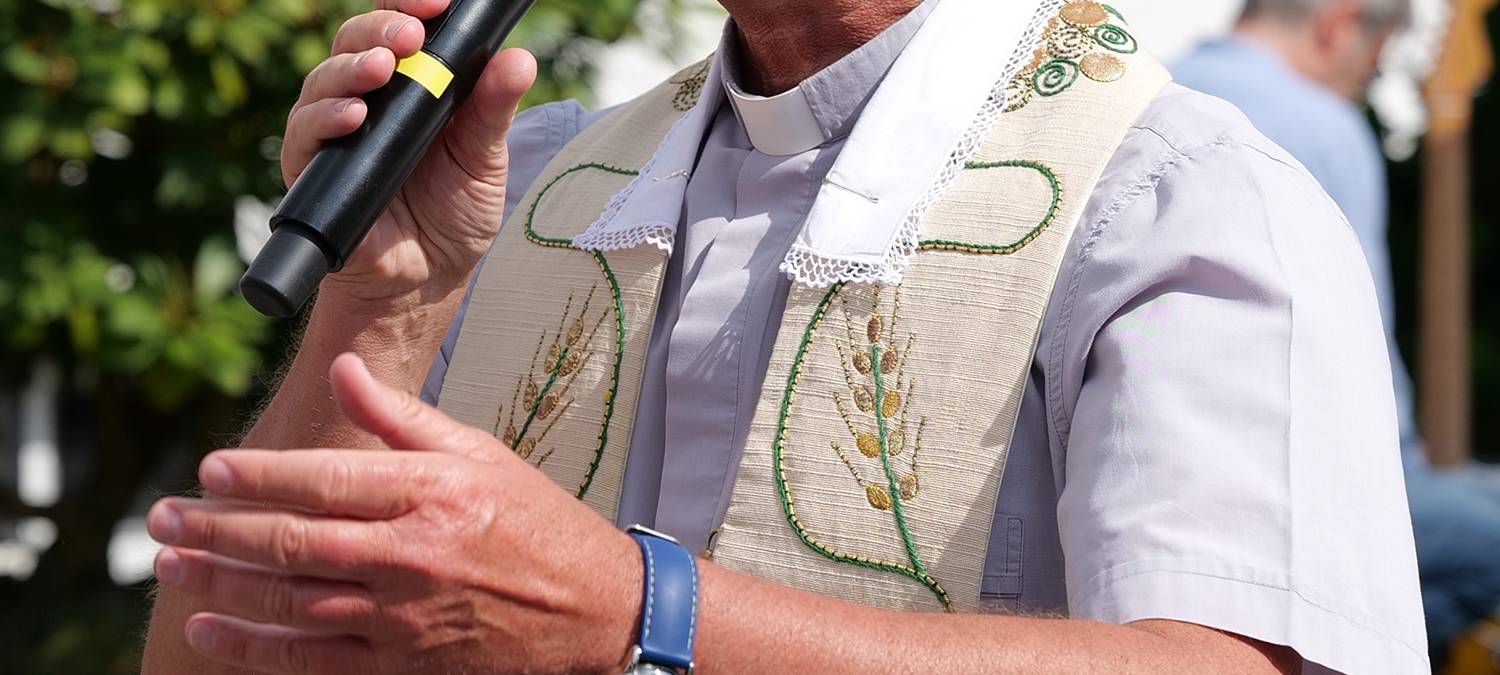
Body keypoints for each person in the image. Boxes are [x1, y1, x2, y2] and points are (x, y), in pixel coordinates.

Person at [140, 0, 1427, 672]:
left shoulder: (1181, 201)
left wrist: (642, 615)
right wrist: (383, 302)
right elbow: (220, 657)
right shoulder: (535, 182)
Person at [1175, 0, 1500, 664]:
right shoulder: (1321, 125)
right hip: (1292, 489)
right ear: (1340, 26)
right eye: (1375, 64)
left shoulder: (1156, 91)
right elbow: (1358, 359)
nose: (1365, 82)